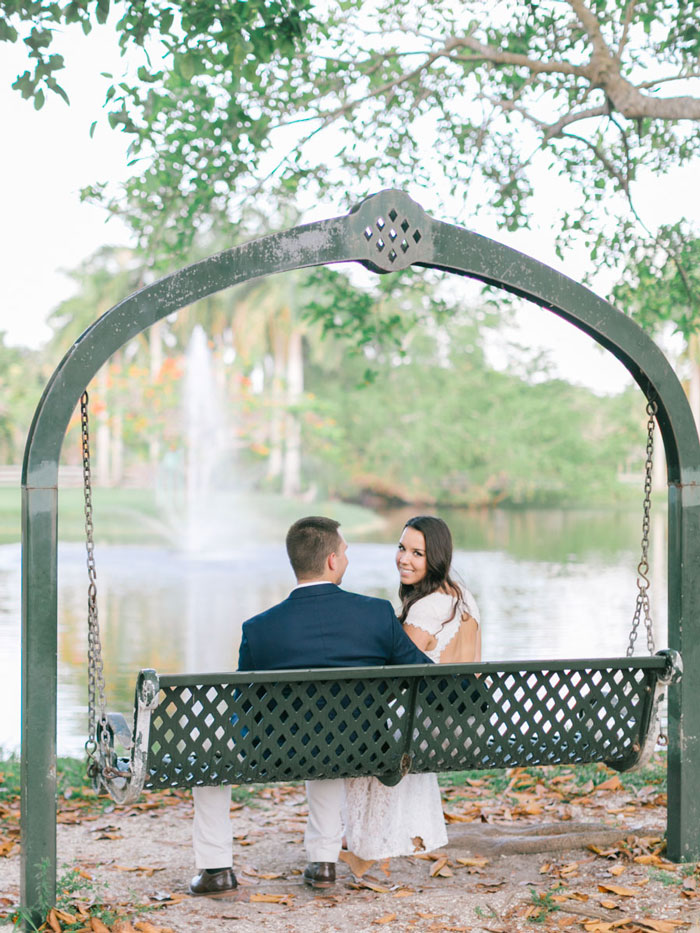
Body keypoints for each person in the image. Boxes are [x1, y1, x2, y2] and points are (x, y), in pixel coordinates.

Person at [188, 515, 432, 897]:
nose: (347, 560)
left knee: (210, 758)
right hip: (362, 746)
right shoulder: (375, 614)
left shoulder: (260, 628)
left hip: (276, 753)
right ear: (332, 561)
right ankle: (322, 862)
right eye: (346, 553)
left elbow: (244, 705)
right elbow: (427, 678)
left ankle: (216, 869)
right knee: (331, 736)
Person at [343, 515, 481, 861]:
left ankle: (367, 843)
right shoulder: (462, 596)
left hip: (433, 727)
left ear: (436, 557)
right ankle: (395, 837)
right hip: (469, 723)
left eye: (417, 553)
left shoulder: (427, 607)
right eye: (402, 548)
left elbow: (389, 678)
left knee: (358, 729)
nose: (404, 559)